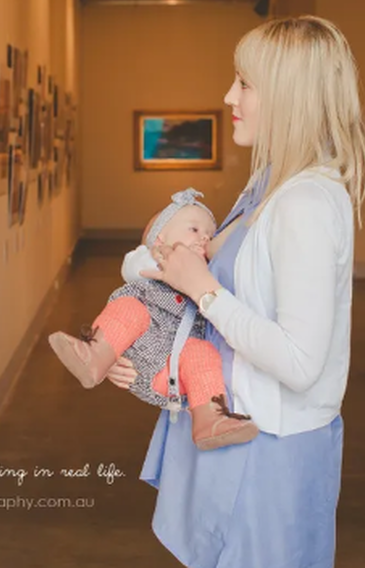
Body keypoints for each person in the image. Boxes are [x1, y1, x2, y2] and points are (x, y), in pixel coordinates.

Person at [106, 15, 365, 567]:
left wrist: (203, 290)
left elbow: (299, 362)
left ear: (287, 97)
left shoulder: (305, 204)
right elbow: (208, 302)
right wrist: (135, 351)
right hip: (236, 435)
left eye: (245, 84)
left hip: (270, 452)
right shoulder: (269, 183)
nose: (230, 95)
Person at [48, 188, 259, 451]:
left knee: (202, 353)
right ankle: (96, 356)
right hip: (139, 355)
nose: (205, 237)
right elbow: (135, 264)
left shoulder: (207, 273)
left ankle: (209, 418)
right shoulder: (151, 262)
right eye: (194, 230)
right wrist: (159, 256)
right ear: (160, 239)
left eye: (209, 233)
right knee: (129, 308)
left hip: (173, 370)